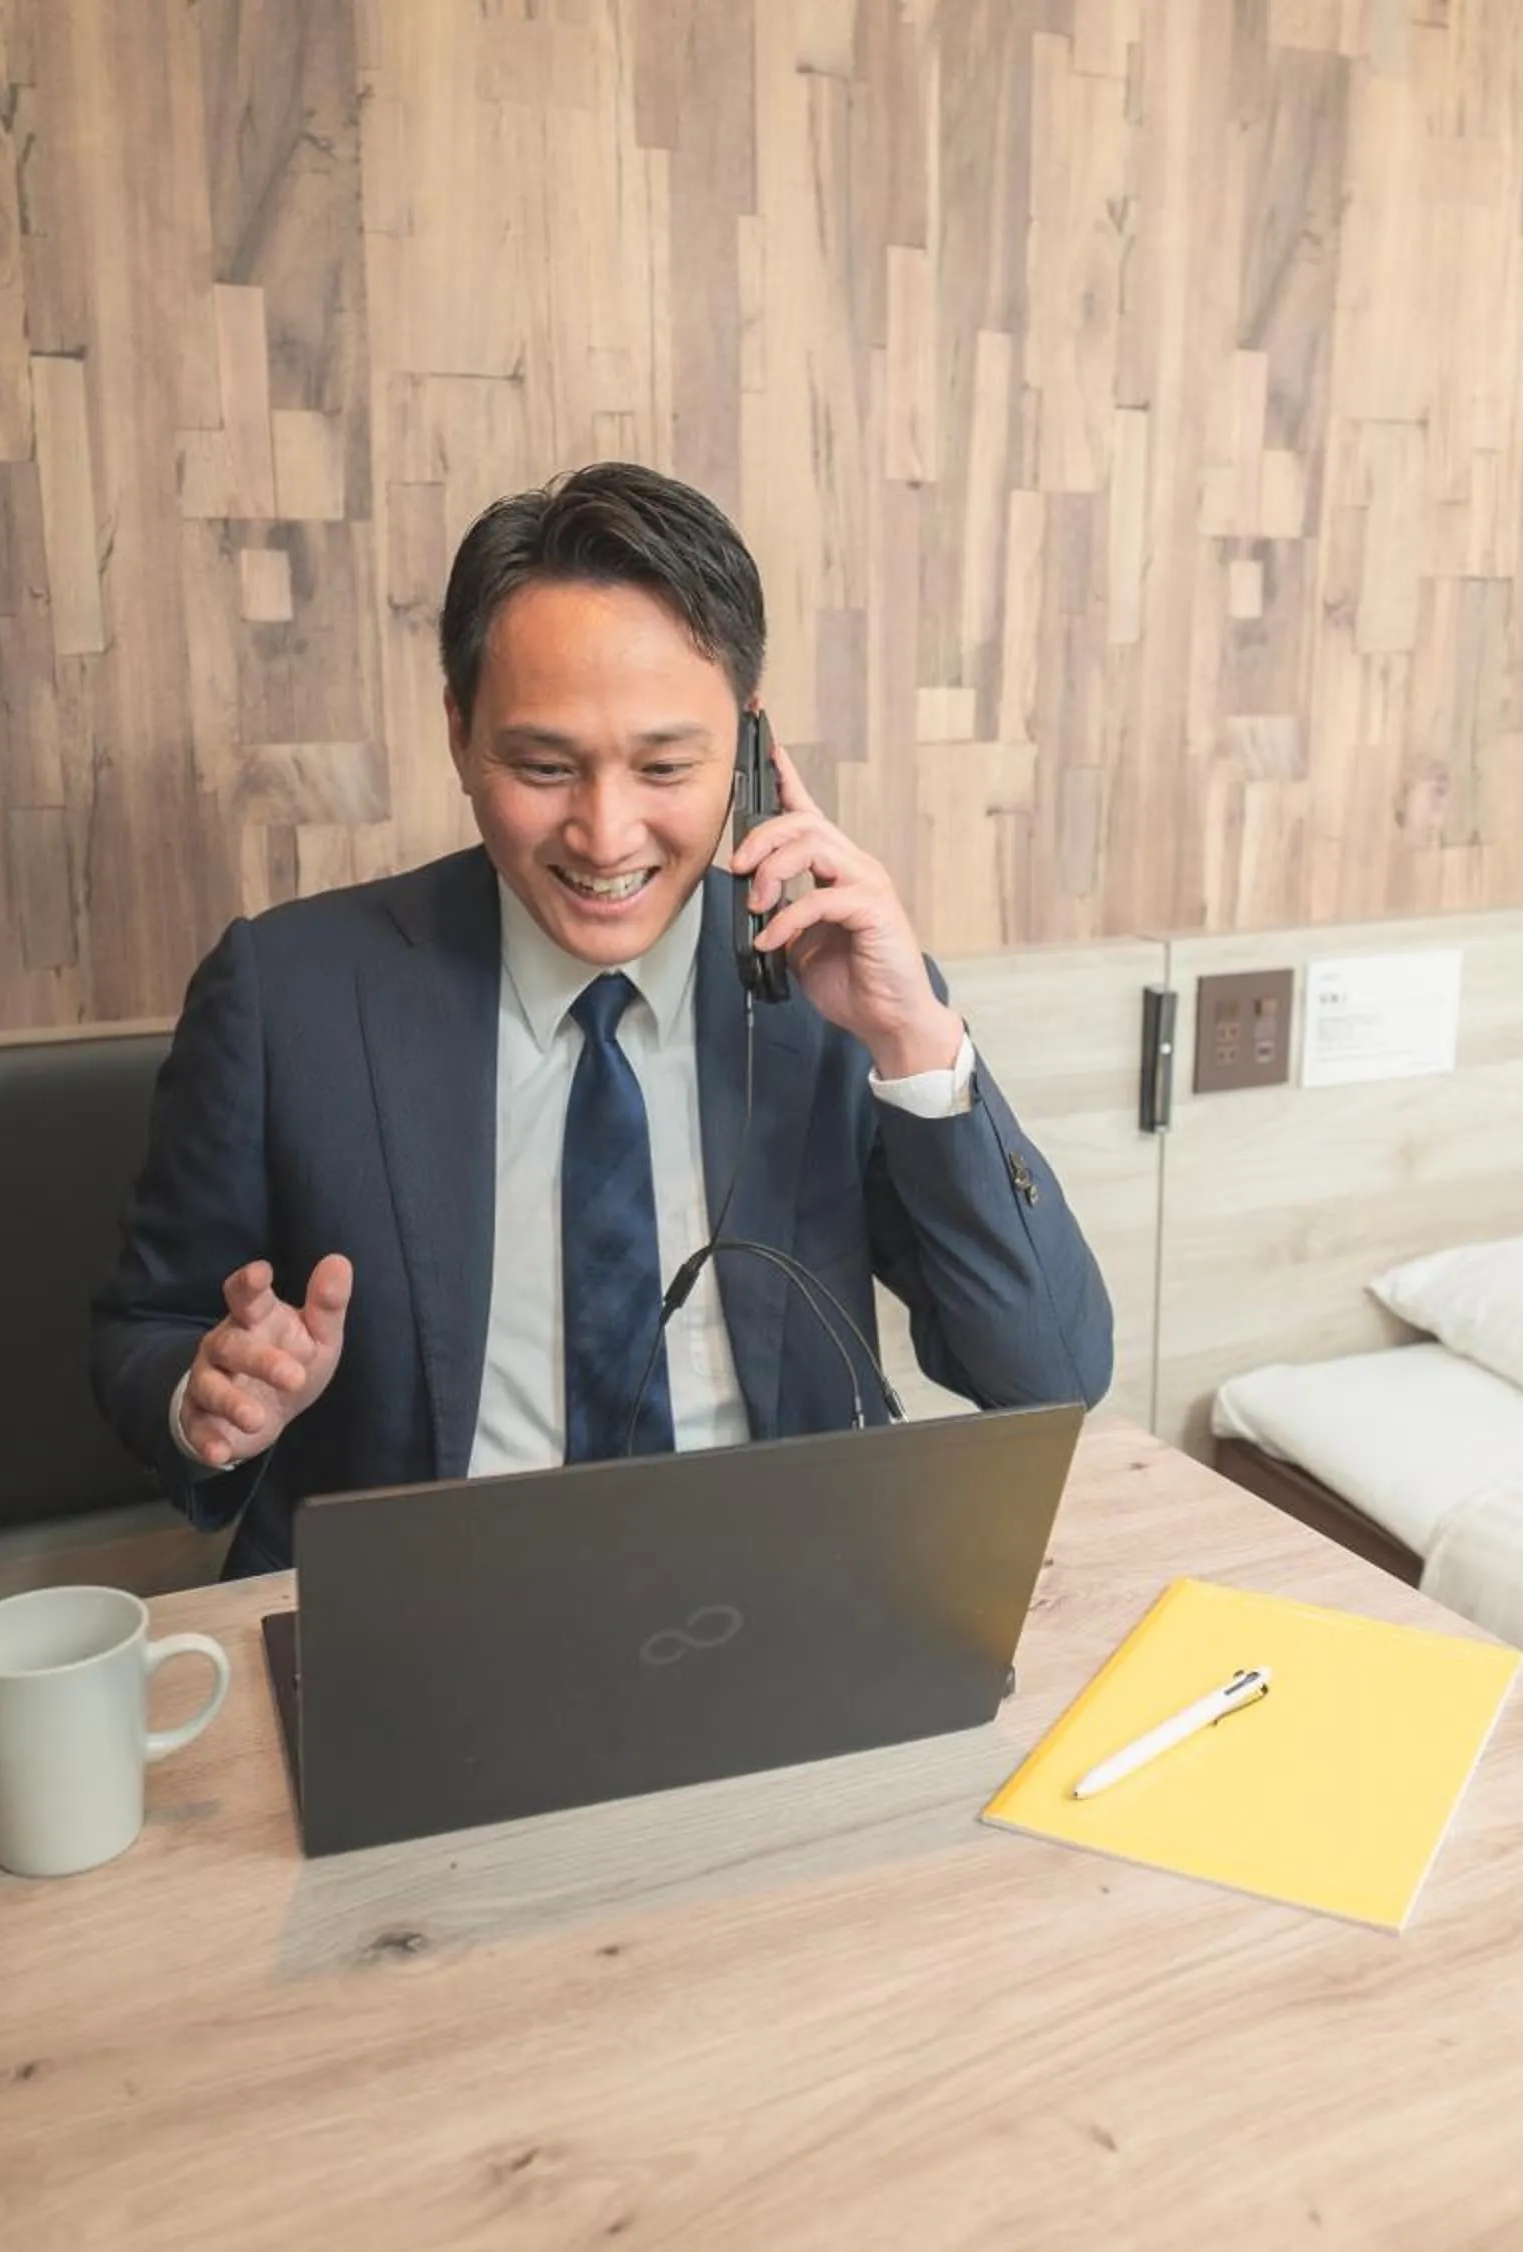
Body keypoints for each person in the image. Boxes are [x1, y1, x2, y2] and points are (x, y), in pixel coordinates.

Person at [90, 463, 1115, 1573]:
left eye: (666, 765)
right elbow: (145, 1329)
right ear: (460, 732)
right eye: (543, 765)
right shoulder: (288, 994)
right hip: (422, 1609)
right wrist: (210, 1394)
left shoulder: (831, 987)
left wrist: (918, 1042)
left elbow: (1046, 1376)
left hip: (779, 1592)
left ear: (752, 751)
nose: (604, 833)